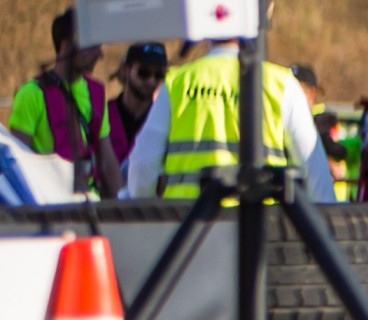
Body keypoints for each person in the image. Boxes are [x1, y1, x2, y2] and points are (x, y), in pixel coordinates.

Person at [121, 37, 336, 201]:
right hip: (258, 229)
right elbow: (315, 174)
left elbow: (143, 164)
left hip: (187, 231)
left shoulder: (178, 82)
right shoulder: (282, 84)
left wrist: (146, 212)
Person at [10, 11, 112, 197]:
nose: (100, 54)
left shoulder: (97, 92)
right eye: (92, 45)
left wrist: (127, 207)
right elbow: (17, 164)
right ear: (66, 45)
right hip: (50, 204)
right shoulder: (32, 94)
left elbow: (107, 162)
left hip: (90, 203)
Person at [102, 44, 166, 183]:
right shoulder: (103, 115)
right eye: (144, 73)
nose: (151, 81)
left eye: (159, 75)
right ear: (126, 70)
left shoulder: (165, 120)